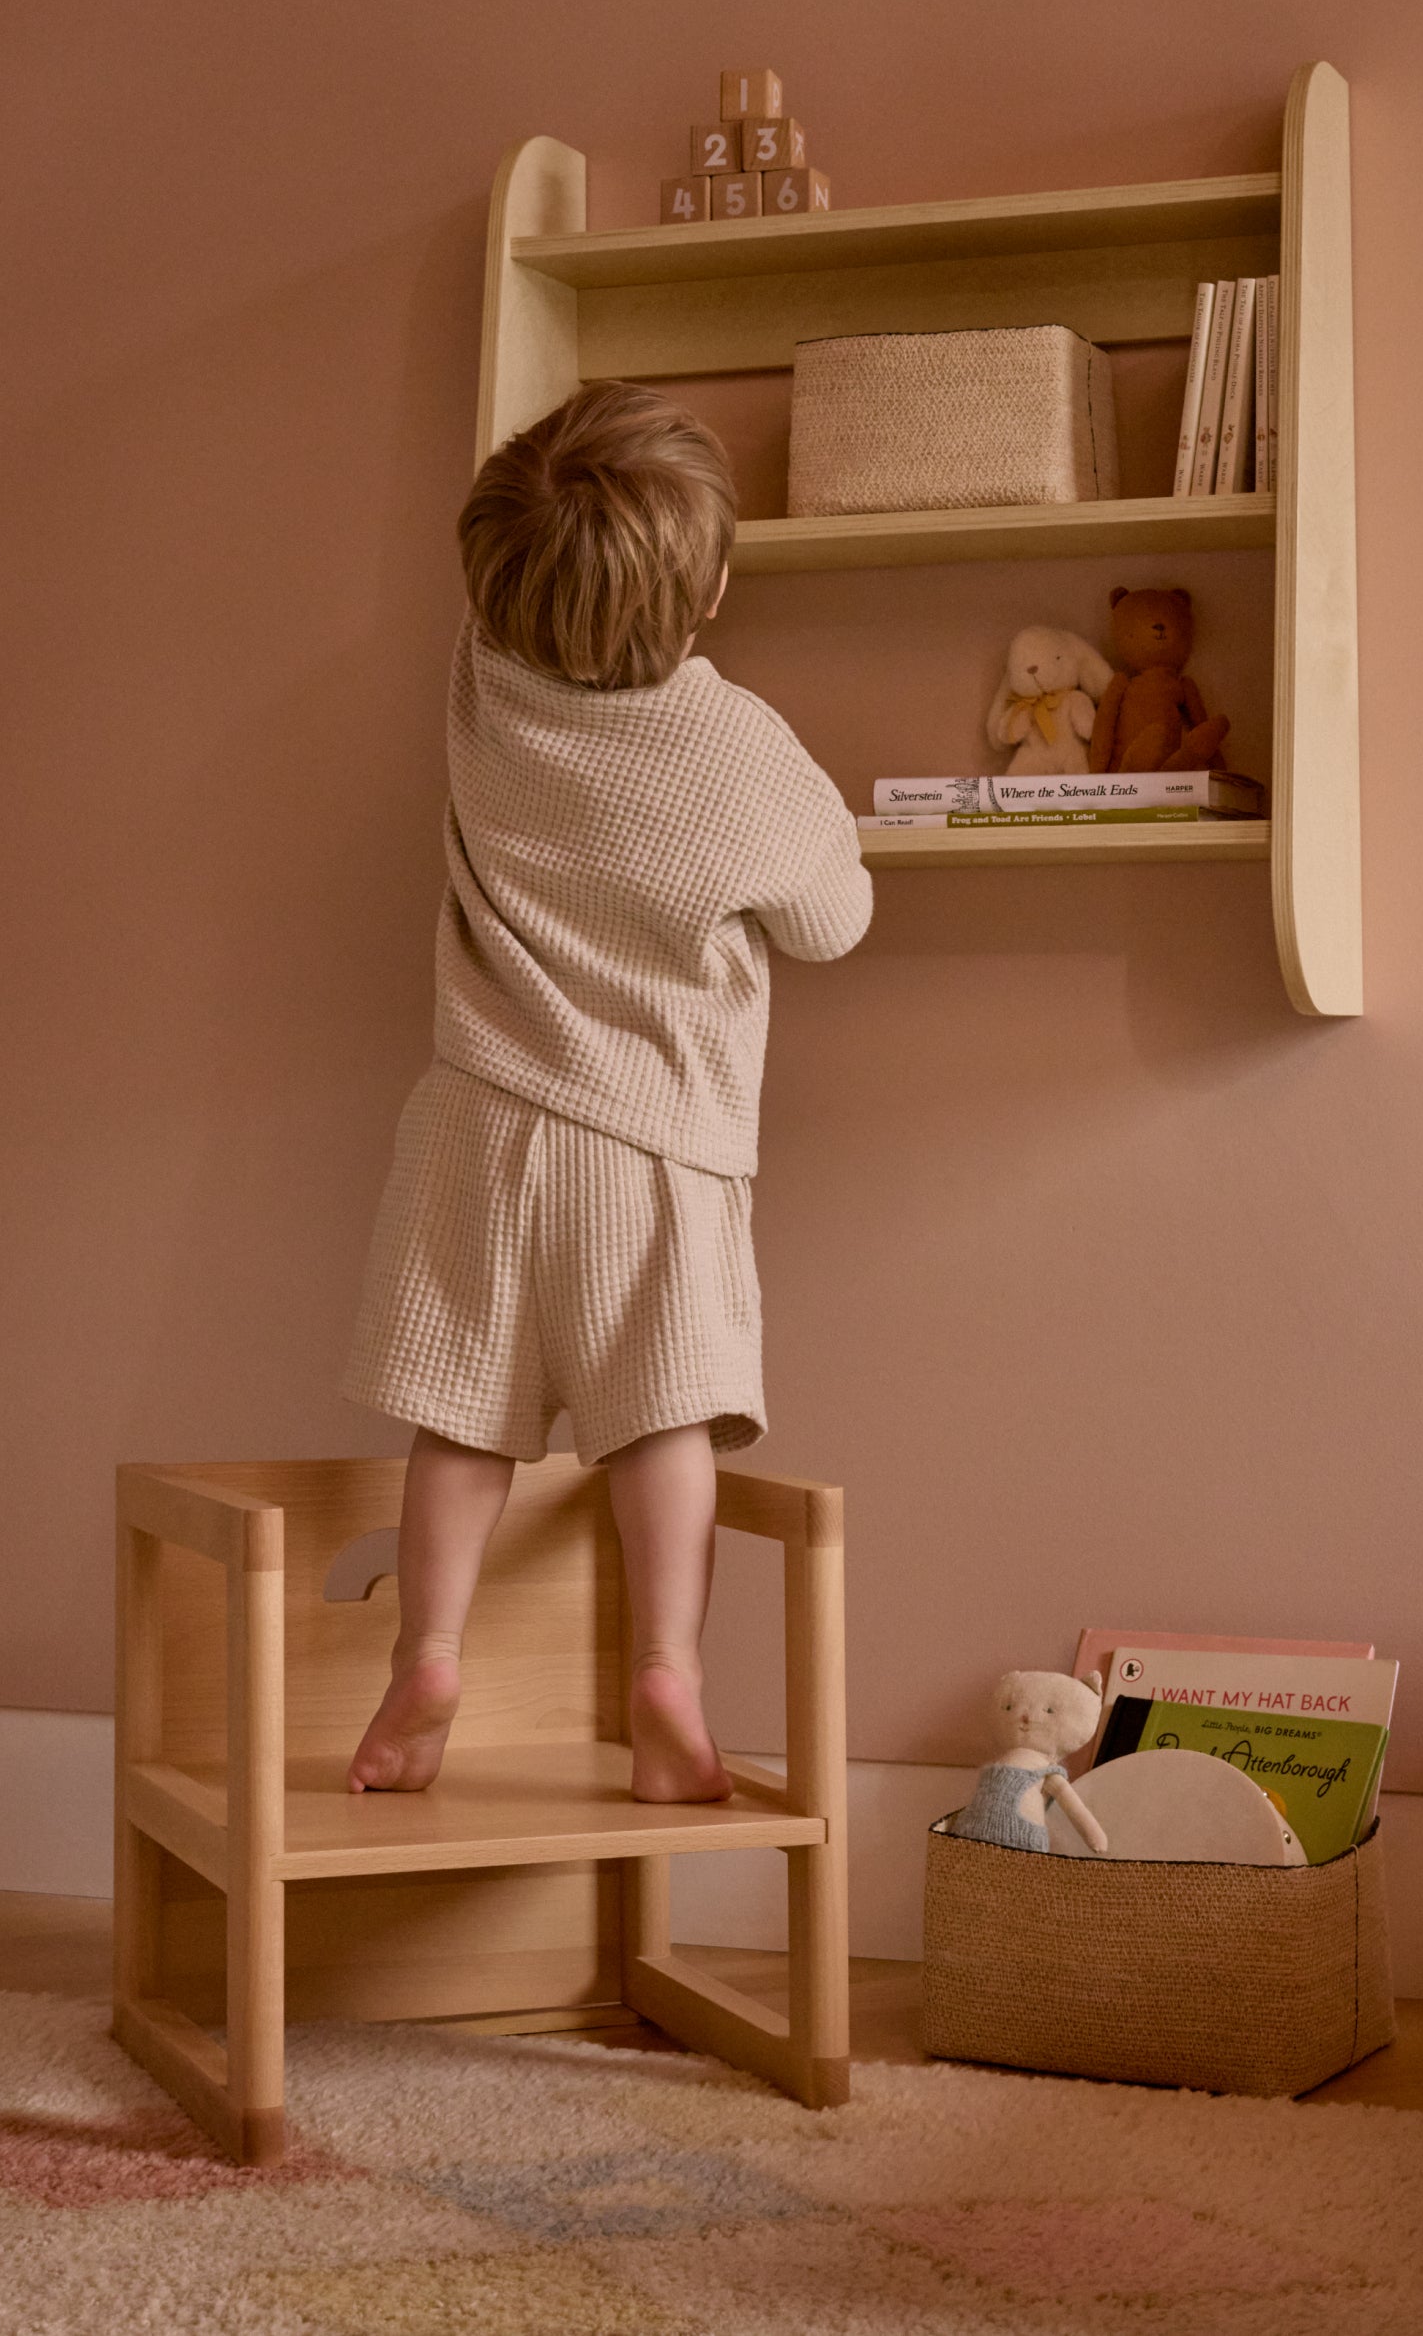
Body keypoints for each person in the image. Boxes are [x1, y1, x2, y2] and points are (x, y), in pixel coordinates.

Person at [341, 381, 871, 1803]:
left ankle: (433, 1649)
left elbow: (546, 580)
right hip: (650, 1149)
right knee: (661, 1421)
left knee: (462, 1418)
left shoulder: (480, 677)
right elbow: (834, 915)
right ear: (701, 603)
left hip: (473, 1119)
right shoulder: (731, 747)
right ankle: (668, 1678)